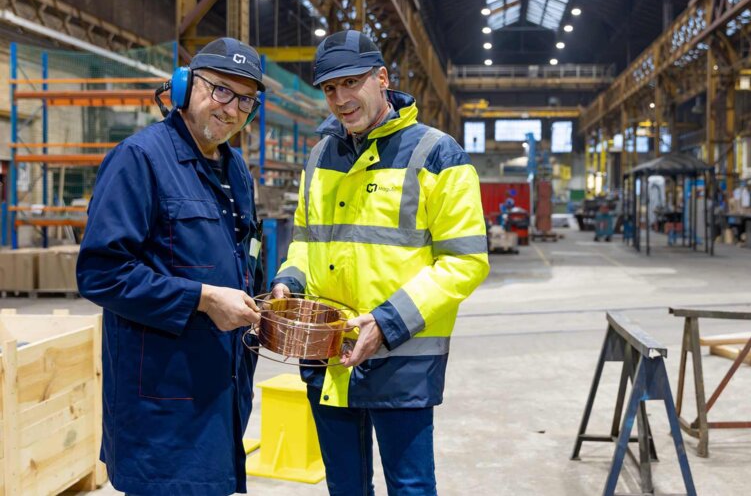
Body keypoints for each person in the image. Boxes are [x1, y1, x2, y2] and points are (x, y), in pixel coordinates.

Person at [271, 29, 490, 495]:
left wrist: (388, 322)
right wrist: (289, 280)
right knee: (345, 486)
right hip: (329, 354)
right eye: (330, 89)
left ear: (382, 78)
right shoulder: (320, 155)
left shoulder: (437, 154)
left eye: (351, 82)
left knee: (409, 486)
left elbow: (466, 261)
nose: (341, 98)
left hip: (401, 357)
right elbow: (305, 239)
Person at [77, 37, 266, 495]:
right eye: (220, 90)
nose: (231, 109)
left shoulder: (235, 168)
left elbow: (245, 249)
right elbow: (101, 272)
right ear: (184, 86)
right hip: (162, 406)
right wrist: (201, 298)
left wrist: (267, 289)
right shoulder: (140, 159)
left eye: (245, 100)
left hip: (221, 393)